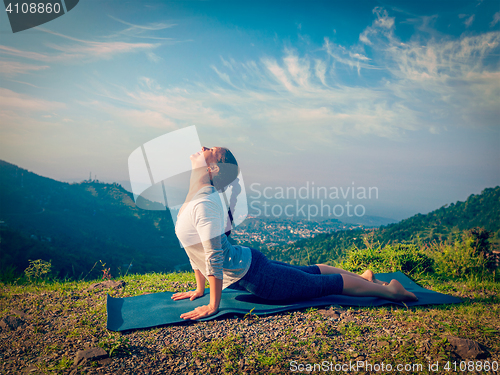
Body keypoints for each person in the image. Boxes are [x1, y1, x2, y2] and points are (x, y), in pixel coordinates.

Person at [172, 146, 418, 320]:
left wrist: (213, 305)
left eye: (210, 150)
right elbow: (197, 251)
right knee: (312, 273)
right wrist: (200, 289)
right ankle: (363, 278)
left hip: (258, 278)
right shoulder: (197, 199)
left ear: (213, 167)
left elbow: (213, 255)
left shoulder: (205, 203)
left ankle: (391, 292)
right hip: (250, 266)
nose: (202, 146)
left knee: (322, 284)